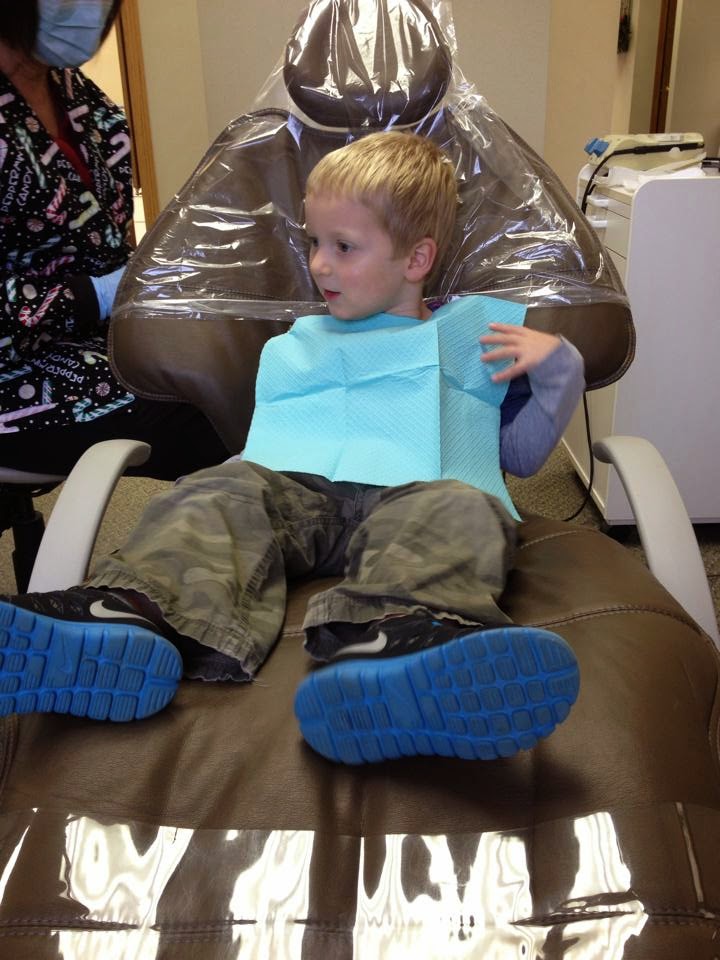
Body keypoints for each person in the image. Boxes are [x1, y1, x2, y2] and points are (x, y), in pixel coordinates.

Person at [0, 131, 585, 765]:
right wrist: (229, 482)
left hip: (418, 498)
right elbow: (269, 448)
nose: (319, 265)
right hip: (300, 493)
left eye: (343, 247)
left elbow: (519, 456)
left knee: (463, 508)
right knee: (215, 491)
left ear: (416, 259)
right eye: (313, 242)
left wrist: (560, 372)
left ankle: (397, 650)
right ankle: (128, 616)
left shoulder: (472, 334)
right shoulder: (299, 343)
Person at [0, 0, 229, 478]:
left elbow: (97, 226)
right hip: (17, 373)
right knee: (212, 413)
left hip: (95, 333)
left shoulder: (67, 85)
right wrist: (95, 296)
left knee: (248, 361)